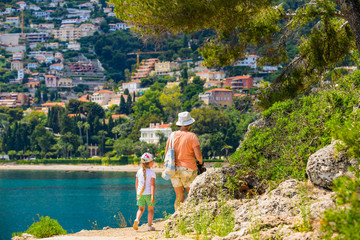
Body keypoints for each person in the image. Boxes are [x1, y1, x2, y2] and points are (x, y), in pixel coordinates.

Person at [165, 111, 203, 211]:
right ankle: (185, 215)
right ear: (189, 123)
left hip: (174, 170)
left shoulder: (172, 136)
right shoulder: (192, 136)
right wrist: (201, 162)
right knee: (191, 195)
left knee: (179, 197)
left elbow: (166, 154)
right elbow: (198, 155)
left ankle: (177, 218)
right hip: (188, 168)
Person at [133, 152, 156, 231]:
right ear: (150, 163)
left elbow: (136, 183)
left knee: (140, 209)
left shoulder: (139, 171)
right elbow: (152, 185)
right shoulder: (152, 172)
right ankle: (149, 226)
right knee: (150, 210)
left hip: (140, 194)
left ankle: (137, 219)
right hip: (149, 194)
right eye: (152, 161)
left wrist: (137, 193)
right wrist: (153, 195)